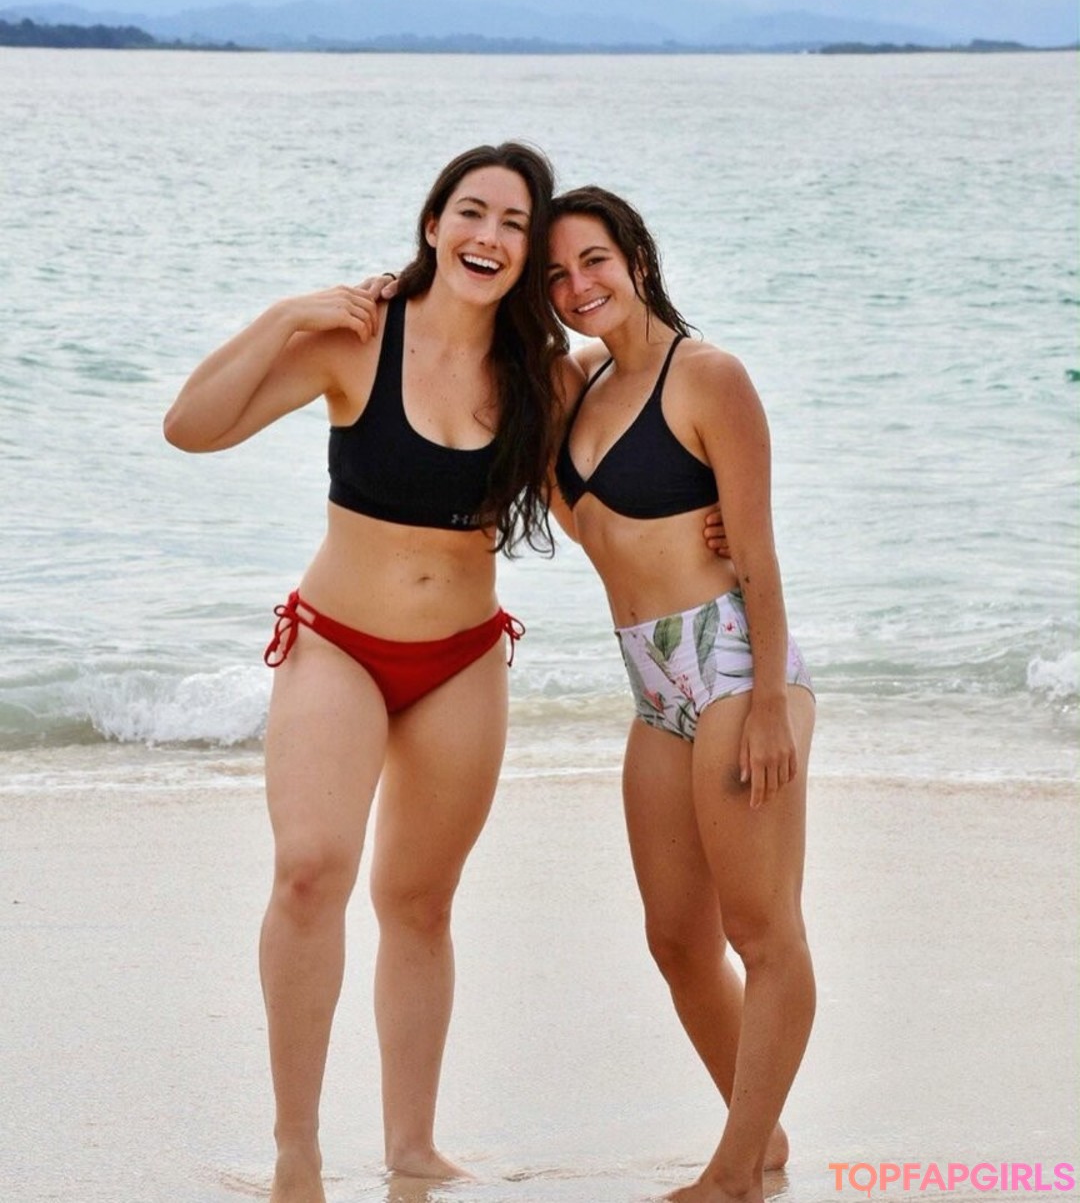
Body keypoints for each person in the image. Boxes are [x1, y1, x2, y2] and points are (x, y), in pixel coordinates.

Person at [163, 142, 567, 1203]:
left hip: (461, 660)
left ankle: (412, 1149)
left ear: (530, 251)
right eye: (471, 211)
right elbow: (190, 428)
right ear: (434, 222)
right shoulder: (357, 339)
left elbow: (604, 506)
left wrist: (703, 537)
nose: (488, 236)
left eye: (514, 223)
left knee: (419, 903)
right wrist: (286, 315)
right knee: (310, 869)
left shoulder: (541, 375)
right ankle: (297, 1149)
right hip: (337, 641)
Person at [545, 186, 816, 1203]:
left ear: (638, 260)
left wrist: (770, 706)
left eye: (595, 261)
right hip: (651, 678)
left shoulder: (707, 376)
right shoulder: (572, 387)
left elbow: (760, 555)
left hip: (732, 663)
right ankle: (764, 1135)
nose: (579, 286)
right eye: (557, 275)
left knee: (762, 931)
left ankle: (734, 1172)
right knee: (676, 938)